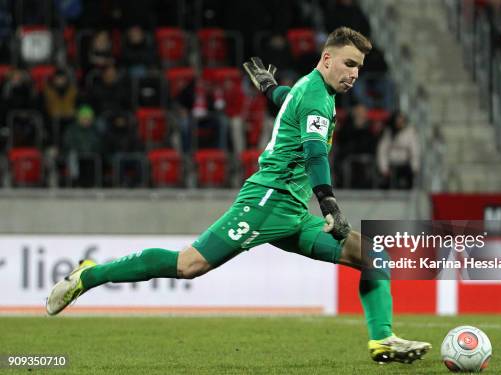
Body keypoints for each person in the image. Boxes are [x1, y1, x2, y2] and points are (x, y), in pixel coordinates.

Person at [46, 27, 431, 365]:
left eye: (359, 67)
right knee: (189, 265)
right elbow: (315, 153)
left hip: (292, 211)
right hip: (268, 200)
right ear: (327, 58)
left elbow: (286, 98)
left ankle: (382, 340)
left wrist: (267, 88)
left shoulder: (311, 87)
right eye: (349, 63)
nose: (355, 74)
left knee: (372, 255)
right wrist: (329, 202)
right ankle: (88, 275)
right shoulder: (317, 97)